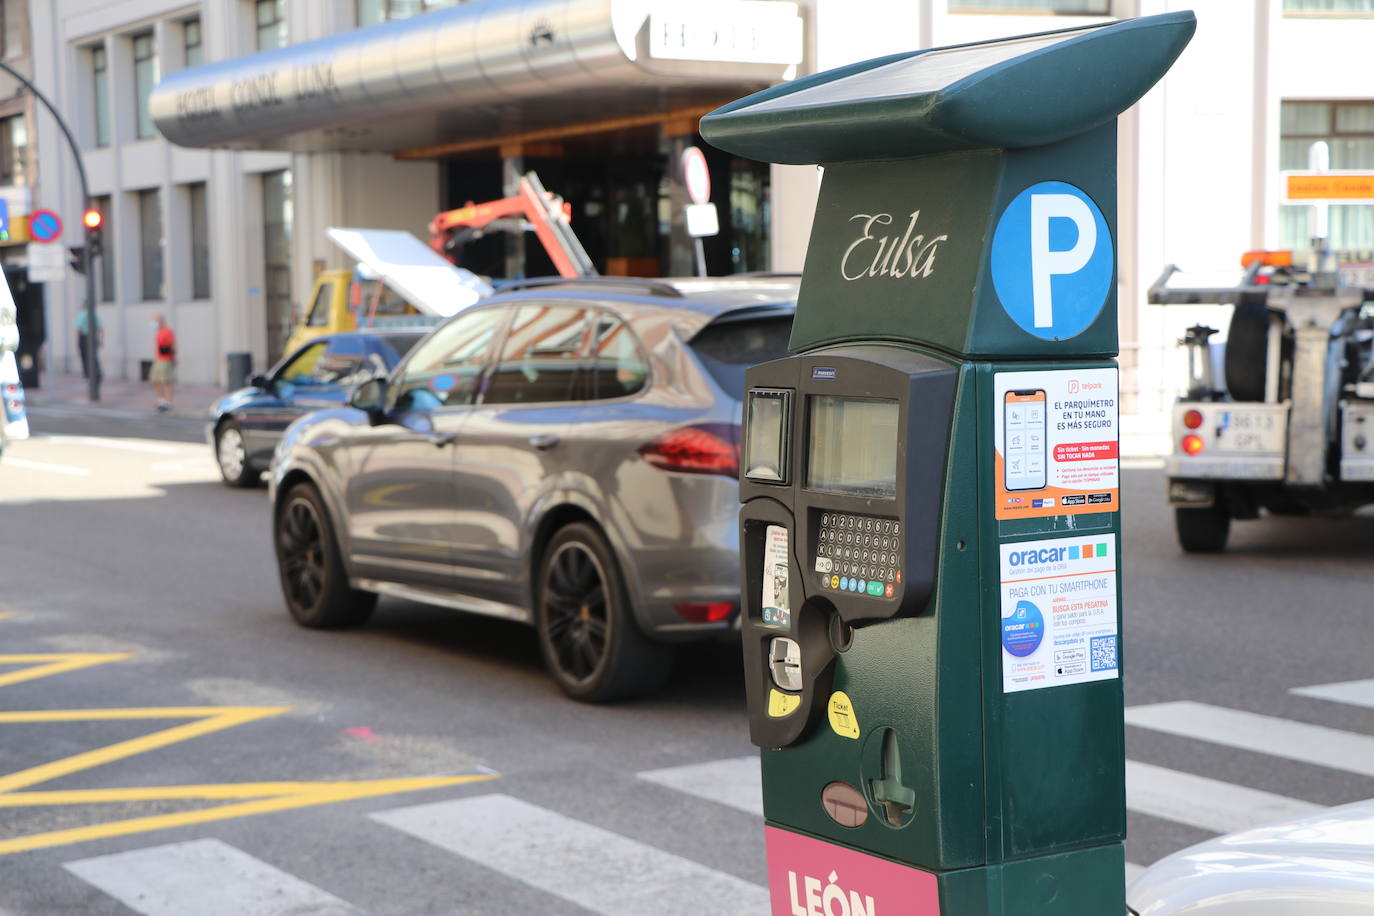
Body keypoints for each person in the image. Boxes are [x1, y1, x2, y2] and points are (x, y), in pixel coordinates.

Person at [150, 314, 176, 412]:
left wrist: (172, 358)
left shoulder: (167, 331)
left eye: (154, 321)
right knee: (154, 380)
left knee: (166, 381)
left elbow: (173, 347)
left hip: (165, 359)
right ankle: (161, 399)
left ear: (160, 321)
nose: (153, 323)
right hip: (158, 359)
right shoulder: (159, 332)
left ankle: (168, 402)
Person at [75, 307, 102, 380]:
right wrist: (100, 339)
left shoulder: (81, 315)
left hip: (84, 337)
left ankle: (87, 373)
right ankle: (97, 370)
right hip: (92, 336)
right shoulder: (94, 315)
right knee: (93, 355)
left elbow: (78, 328)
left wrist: (77, 341)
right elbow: (100, 327)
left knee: (84, 356)